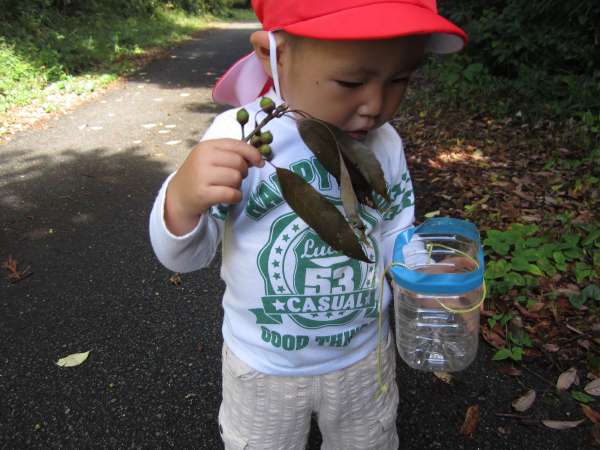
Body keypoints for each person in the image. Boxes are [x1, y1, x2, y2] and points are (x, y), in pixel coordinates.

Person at [149, 1, 467, 448]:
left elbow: (395, 230)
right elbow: (184, 256)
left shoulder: (383, 145)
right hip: (263, 367)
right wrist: (182, 200)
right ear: (273, 55)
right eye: (351, 82)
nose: (376, 105)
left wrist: (423, 276)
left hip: (364, 359)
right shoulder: (239, 141)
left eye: (400, 79)